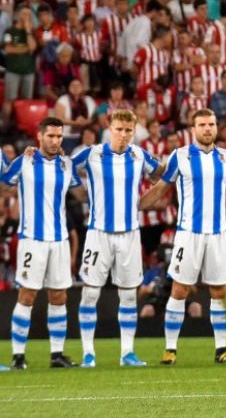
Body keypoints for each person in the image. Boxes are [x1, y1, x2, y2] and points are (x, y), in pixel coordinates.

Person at [139, 108, 226, 365]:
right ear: (193, 129)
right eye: (202, 125)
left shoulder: (225, 157)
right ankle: (170, 349)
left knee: (220, 290)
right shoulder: (180, 156)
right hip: (188, 235)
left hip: (218, 235)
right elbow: (161, 187)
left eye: (211, 124)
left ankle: (222, 350)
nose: (208, 129)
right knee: (179, 288)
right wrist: (135, 206)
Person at [70, 108, 160, 367]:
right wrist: (79, 192)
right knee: (90, 293)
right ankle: (88, 353)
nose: (123, 135)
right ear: (110, 129)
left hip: (130, 235)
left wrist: (142, 203)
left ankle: (127, 353)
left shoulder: (139, 155)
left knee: (129, 295)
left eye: (128, 131)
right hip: (98, 235)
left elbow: (163, 176)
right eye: (119, 129)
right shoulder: (92, 153)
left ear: (134, 132)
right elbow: (63, 165)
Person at [1, 117, 79, 370]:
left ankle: (57, 355)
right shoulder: (24, 161)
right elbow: (4, 184)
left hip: (59, 240)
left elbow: (80, 190)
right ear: (40, 136)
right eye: (51, 136)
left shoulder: (67, 164)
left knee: (59, 296)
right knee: (27, 295)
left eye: (59, 137)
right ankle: (18, 357)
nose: (55, 141)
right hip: (32, 240)